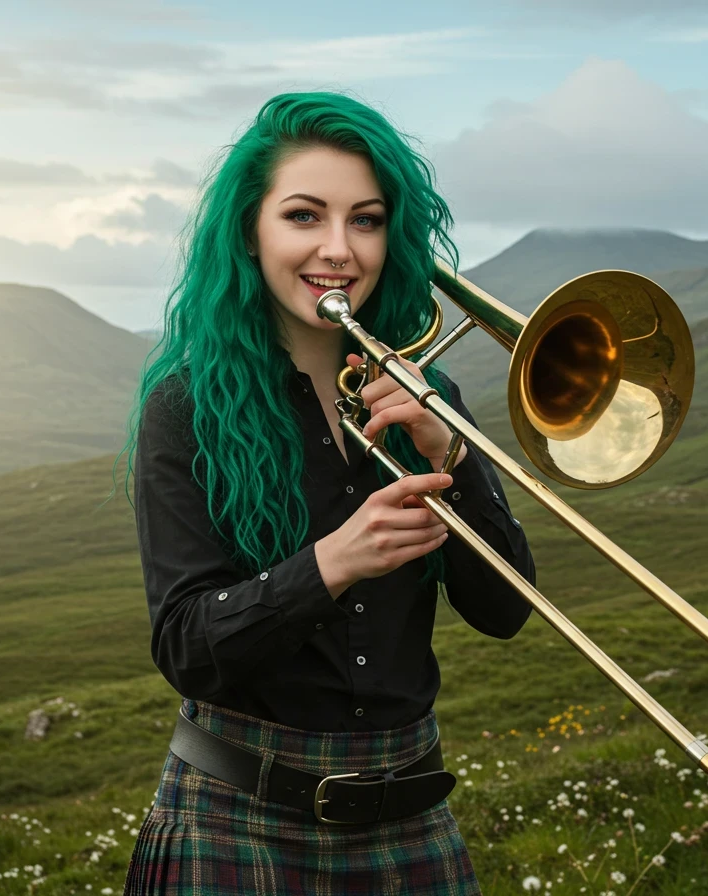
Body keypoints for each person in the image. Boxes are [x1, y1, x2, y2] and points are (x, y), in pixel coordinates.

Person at [119, 91, 535, 895]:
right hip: (235, 817)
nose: (339, 248)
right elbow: (185, 646)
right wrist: (334, 562)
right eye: (305, 217)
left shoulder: (429, 389)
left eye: (367, 220)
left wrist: (452, 450)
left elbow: (506, 611)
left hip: (410, 813)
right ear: (251, 231)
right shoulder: (185, 403)